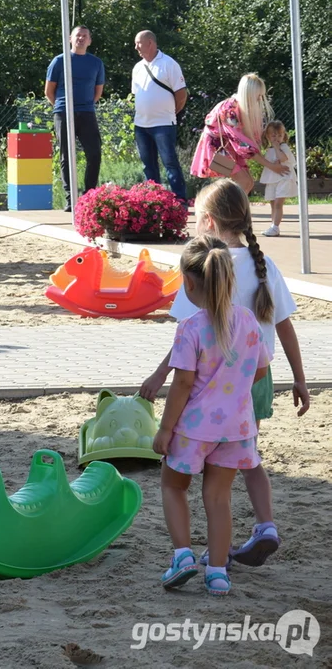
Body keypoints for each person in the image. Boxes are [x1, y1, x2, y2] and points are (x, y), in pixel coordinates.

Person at [141, 178, 309, 569]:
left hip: (207, 387)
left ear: (210, 222)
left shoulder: (204, 264)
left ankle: (201, 551)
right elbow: (285, 326)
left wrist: (157, 375)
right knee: (245, 456)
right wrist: (299, 377)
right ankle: (265, 524)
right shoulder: (263, 266)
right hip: (255, 378)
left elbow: (186, 344)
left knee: (205, 471)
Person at [152, 235, 270, 597]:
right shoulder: (248, 322)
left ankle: (184, 556)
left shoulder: (190, 329)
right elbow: (261, 370)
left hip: (193, 429)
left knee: (173, 486)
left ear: (188, 282)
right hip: (236, 429)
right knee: (219, 498)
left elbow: (182, 384)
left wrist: (165, 429)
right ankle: (217, 573)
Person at [190, 73, 289, 194]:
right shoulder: (230, 111)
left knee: (247, 183)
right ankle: (227, 210)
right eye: (258, 96)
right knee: (244, 182)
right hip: (217, 152)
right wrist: (271, 166)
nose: (260, 100)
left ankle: (231, 210)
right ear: (250, 95)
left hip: (222, 150)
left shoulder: (235, 108)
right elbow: (243, 145)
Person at [45, 26, 104, 212]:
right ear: (70, 38)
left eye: (84, 36)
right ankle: (71, 198)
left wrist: (84, 105)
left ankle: (89, 196)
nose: (81, 38)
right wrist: (62, 107)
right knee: (66, 156)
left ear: (89, 41)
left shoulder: (96, 63)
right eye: (78, 35)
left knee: (94, 154)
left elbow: (98, 91)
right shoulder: (59, 61)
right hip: (63, 112)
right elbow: (49, 91)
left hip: (87, 113)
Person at [131, 30, 188, 203]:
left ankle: (180, 200)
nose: (136, 47)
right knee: (148, 165)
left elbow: (181, 94)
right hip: (141, 125)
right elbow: (137, 95)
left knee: (169, 162)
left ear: (150, 43)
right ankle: (154, 200)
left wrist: (169, 112)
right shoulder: (137, 68)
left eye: (138, 43)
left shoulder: (169, 64)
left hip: (163, 123)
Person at [258, 120, 296, 237]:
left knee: (279, 203)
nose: (277, 138)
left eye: (280, 135)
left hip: (284, 178)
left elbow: (283, 159)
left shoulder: (283, 147)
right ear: (268, 136)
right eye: (273, 135)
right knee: (273, 203)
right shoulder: (269, 149)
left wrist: (277, 147)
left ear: (284, 135)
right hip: (272, 179)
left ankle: (275, 226)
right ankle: (273, 226)